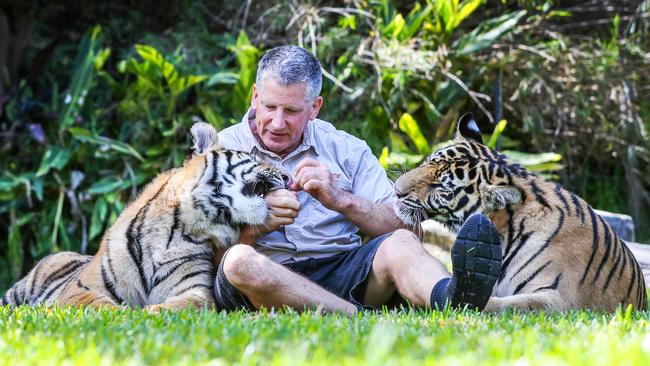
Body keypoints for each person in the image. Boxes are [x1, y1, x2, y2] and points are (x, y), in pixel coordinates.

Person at [214, 45, 501, 315]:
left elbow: (410, 231)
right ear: (254, 96)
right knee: (239, 261)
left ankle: (449, 297)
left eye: (291, 111)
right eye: (269, 107)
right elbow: (205, 258)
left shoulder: (347, 150)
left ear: (315, 107)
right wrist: (256, 227)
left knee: (400, 242)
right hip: (264, 279)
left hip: (343, 272)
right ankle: (354, 316)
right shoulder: (218, 151)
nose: (277, 123)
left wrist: (342, 200)